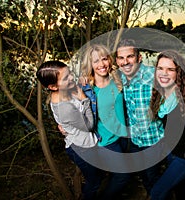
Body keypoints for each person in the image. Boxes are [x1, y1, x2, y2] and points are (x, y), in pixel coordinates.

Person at [149, 50, 185, 200]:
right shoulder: (161, 93)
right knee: (178, 189)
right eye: (160, 68)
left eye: (170, 69)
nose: (164, 73)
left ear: (179, 73)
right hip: (171, 152)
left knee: (157, 193)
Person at [36, 61, 100, 200]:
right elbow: (89, 126)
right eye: (65, 78)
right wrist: (84, 98)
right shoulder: (64, 108)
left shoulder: (66, 90)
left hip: (85, 145)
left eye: (70, 73)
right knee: (94, 183)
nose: (71, 78)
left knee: (95, 178)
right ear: (52, 86)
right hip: (82, 148)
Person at [79, 44, 130, 199]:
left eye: (104, 59)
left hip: (122, 135)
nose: (101, 64)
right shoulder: (87, 89)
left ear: (109, 60)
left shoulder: (117, 78)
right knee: (123, 175)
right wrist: (63, 125)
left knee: (113, 174)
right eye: (96, 61)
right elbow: (72, 108)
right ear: (90, 65)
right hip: (105, 141)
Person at [115, 39, 165, 195]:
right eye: (121, 58)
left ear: (139, 57)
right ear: (117, 61)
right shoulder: (120, 78)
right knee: (144, 175)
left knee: (153, 178)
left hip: (153, 140)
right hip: (135, 141)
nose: (125, 62)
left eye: (130, 56)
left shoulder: (154, 75)